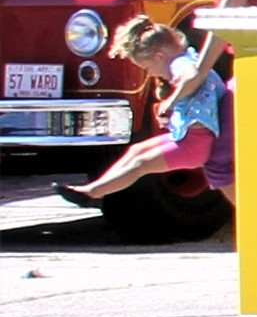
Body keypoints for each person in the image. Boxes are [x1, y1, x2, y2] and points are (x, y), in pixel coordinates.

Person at [57, 17, 226, 212]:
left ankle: (92, 193)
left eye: (148, 68)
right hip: (191, 138)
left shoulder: (179, 63)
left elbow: (192, 76)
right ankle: (93, 190)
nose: (152, 74)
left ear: (159, 56)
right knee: (136, 151)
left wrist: (171, 101)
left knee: (140, 164)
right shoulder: (189, 56)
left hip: (196, 145)